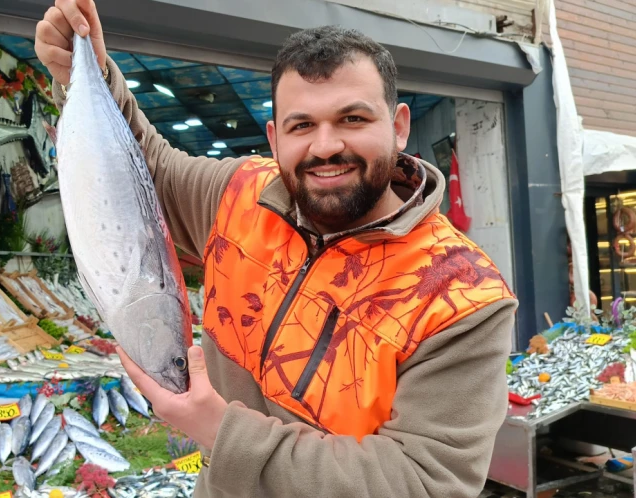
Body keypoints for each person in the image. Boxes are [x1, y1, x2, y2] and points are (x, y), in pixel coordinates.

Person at [36, 2, 517, 496]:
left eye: (352, 118)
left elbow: (425, 481)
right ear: (274, 136)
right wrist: (88, 70)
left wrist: (220, 430)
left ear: (397, 126)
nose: (325, 145)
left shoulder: (463, 296)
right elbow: (143, 171)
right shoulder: (240, 195)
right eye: (301, 125)